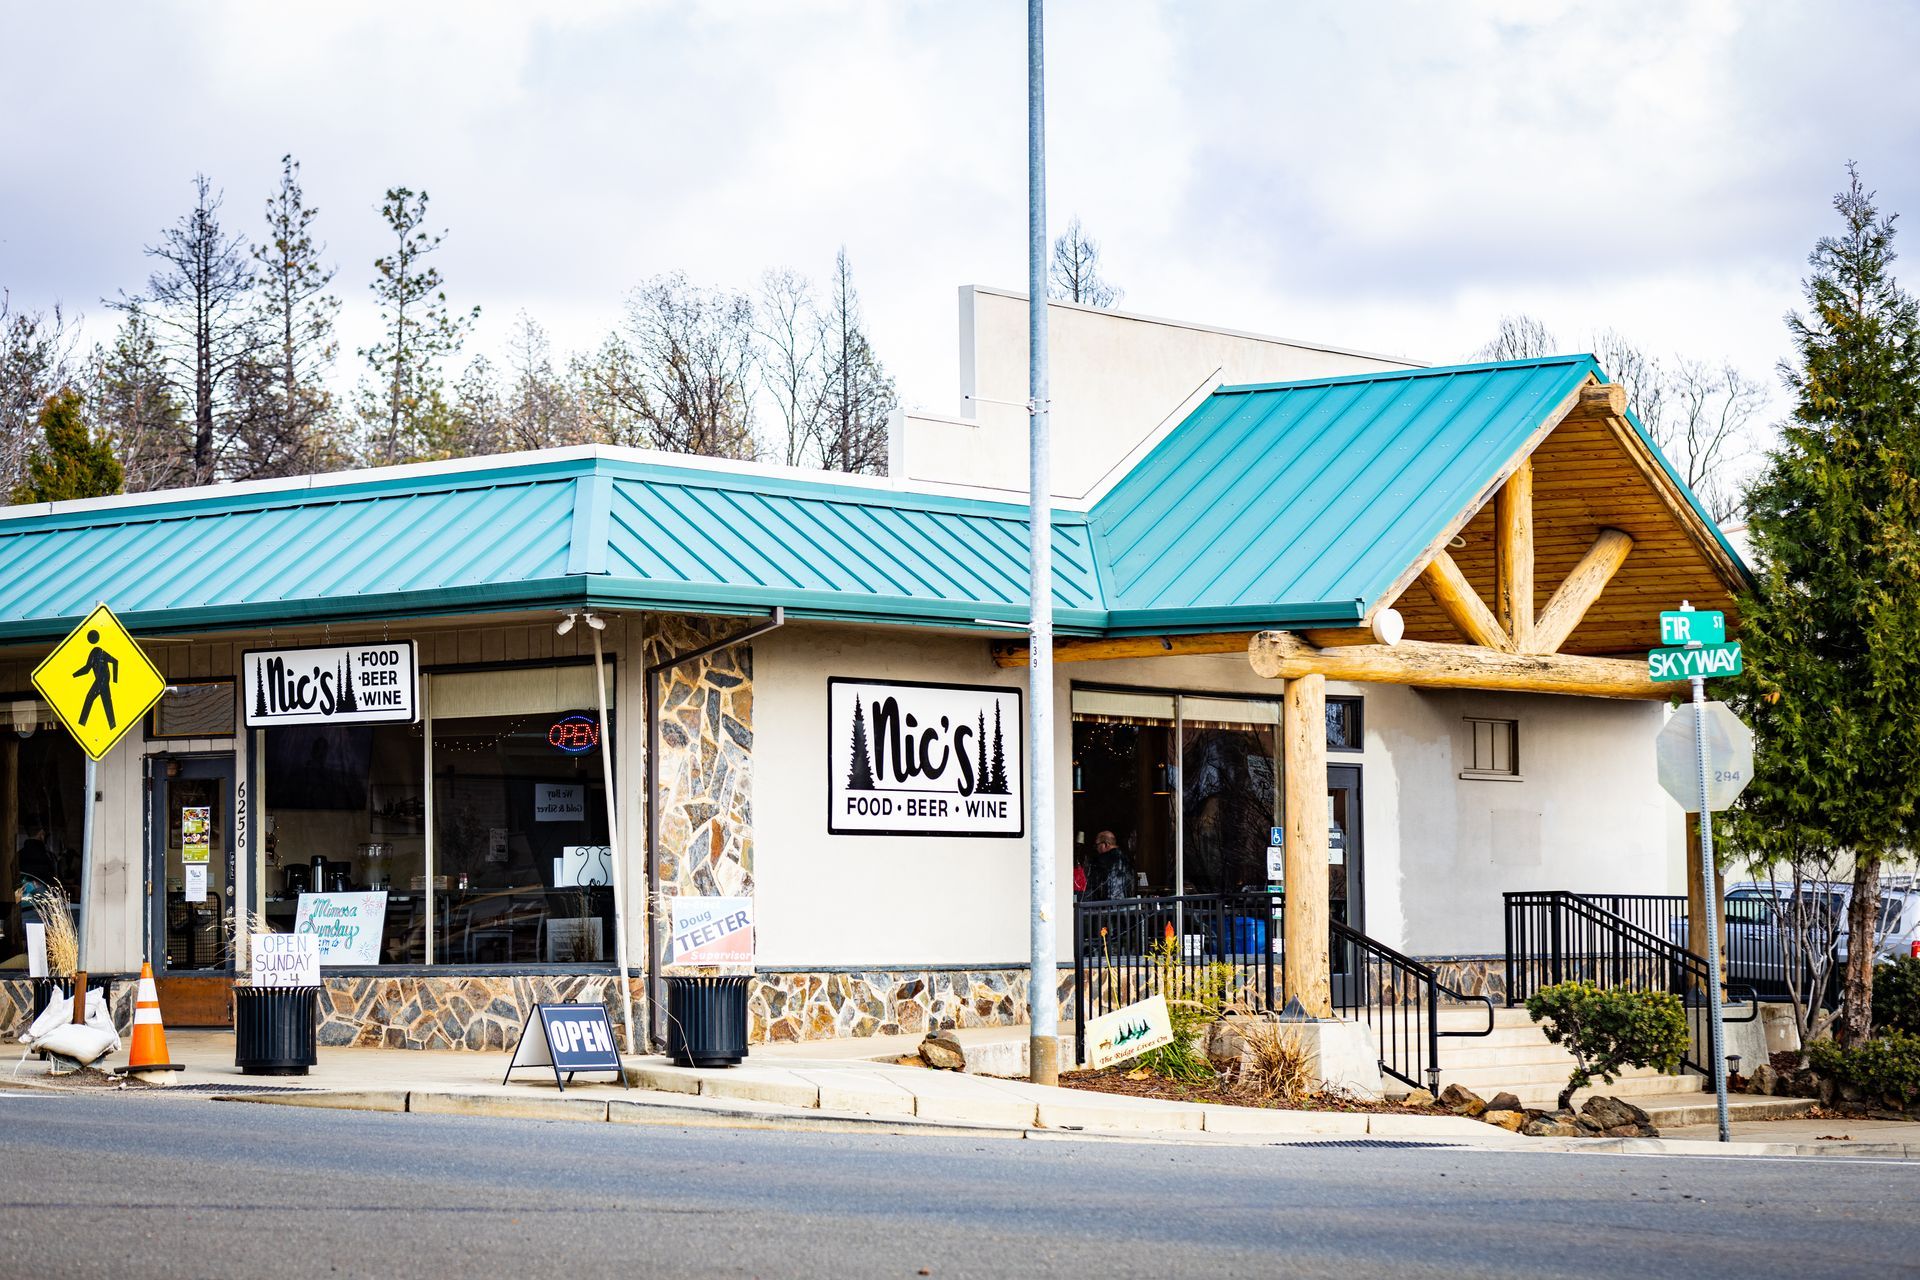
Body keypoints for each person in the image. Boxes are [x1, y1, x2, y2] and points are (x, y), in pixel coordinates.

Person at [1086, 830, 1134, 901]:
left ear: (1105, 844)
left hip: (1106, 907)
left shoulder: (1100, 861)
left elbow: (1091, 888)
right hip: (1126, 907)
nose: (1096, 848)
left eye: (1097, 845)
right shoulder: (1128, 859)